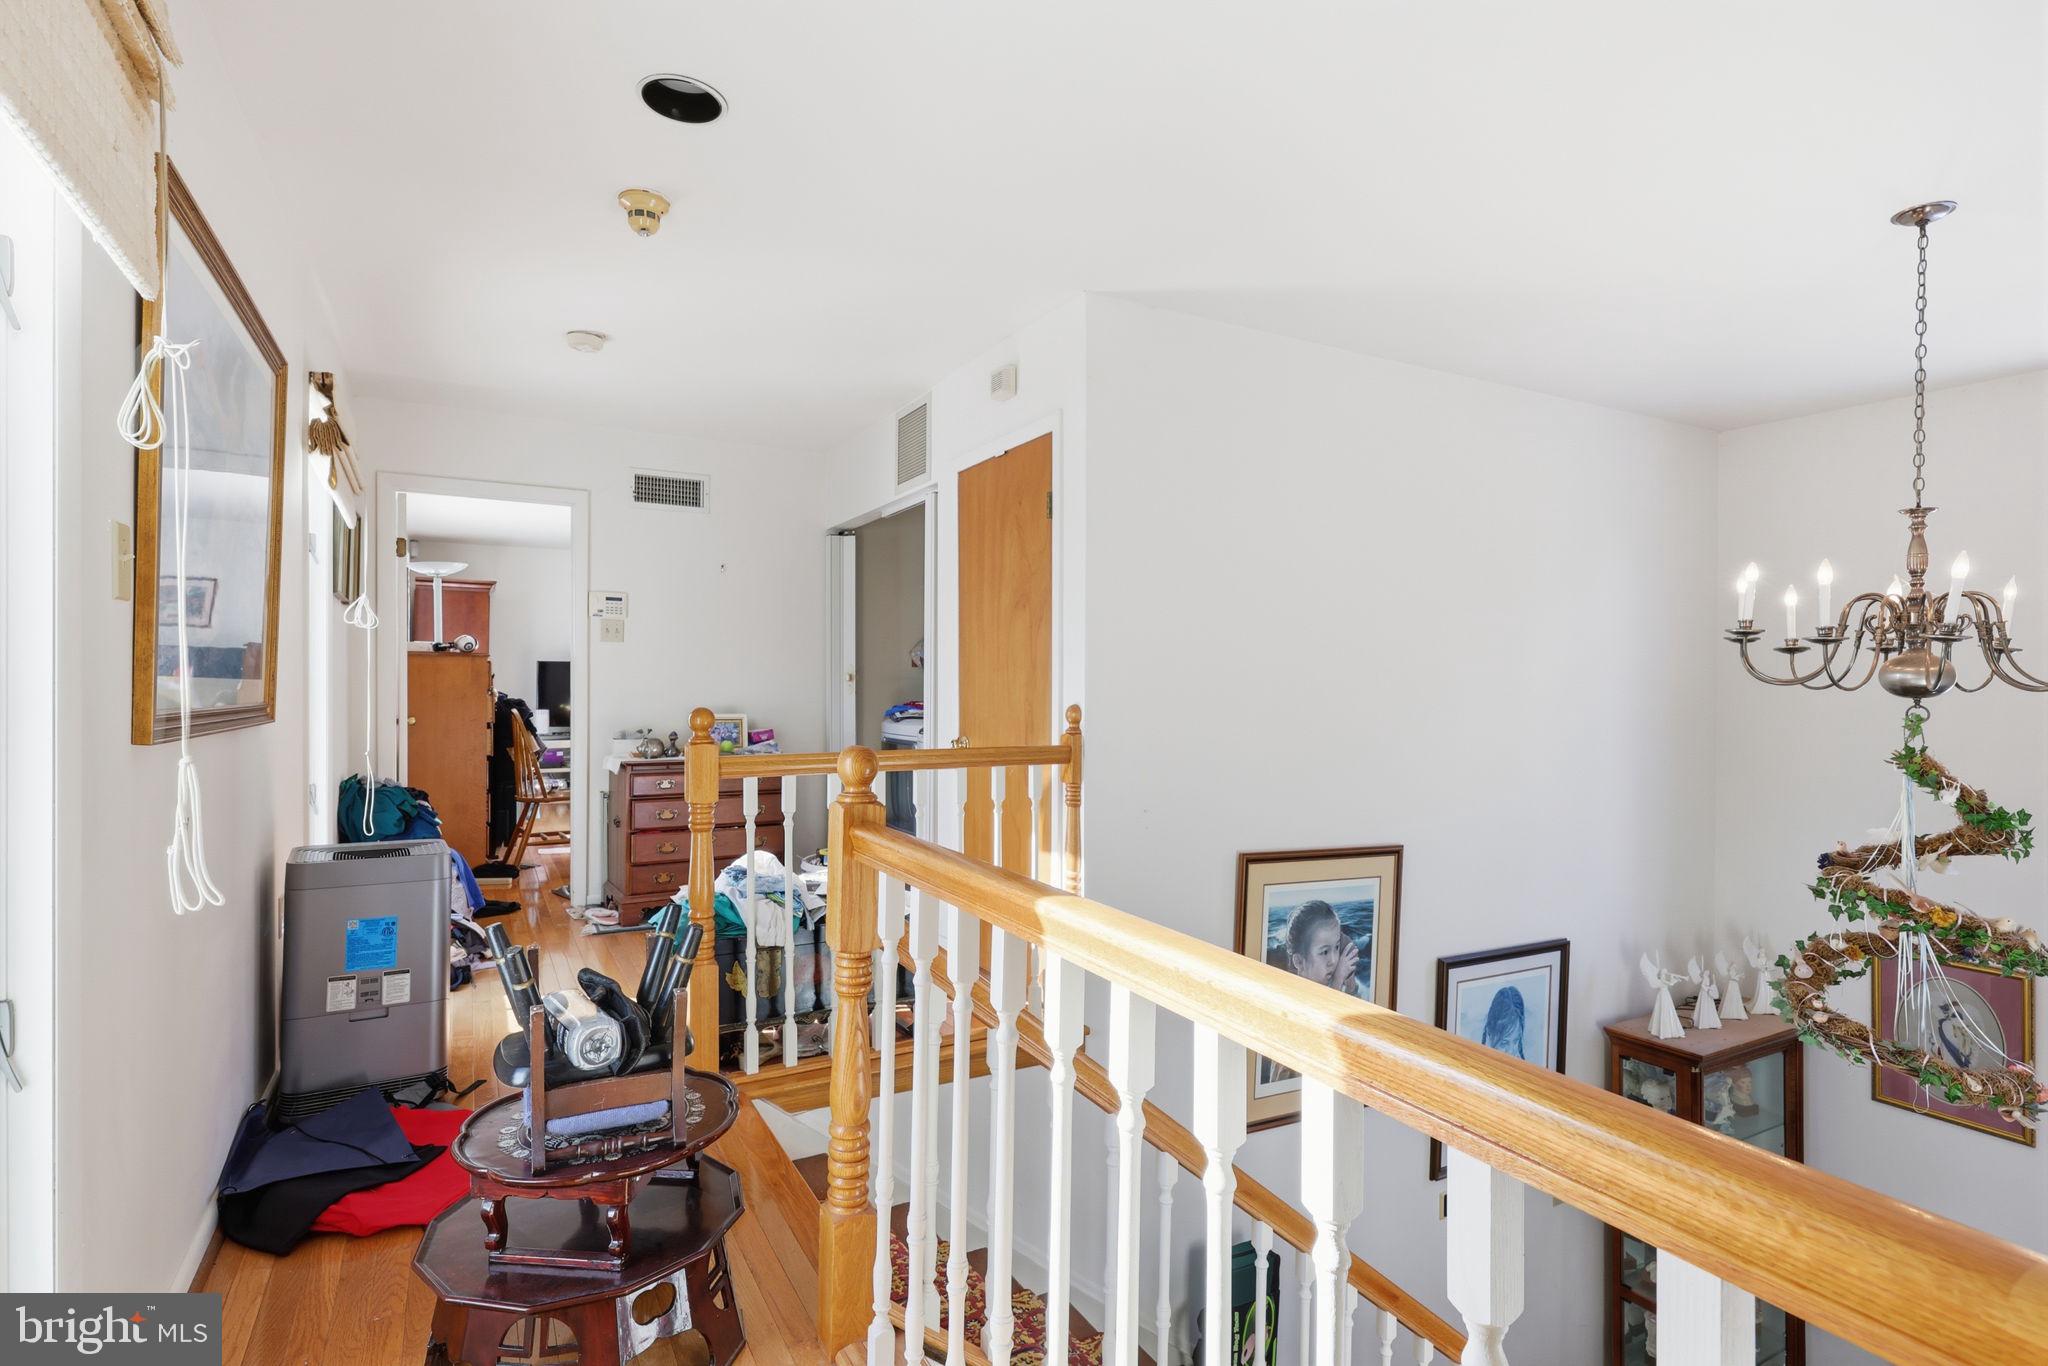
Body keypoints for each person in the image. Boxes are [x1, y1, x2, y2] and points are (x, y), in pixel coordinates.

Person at [1283, 900, 1364, 999]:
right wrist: (1338, 980)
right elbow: (1324, 1009)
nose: (1334, 961)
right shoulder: (1295, 995)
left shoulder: (1328, 986)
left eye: (1337, 947)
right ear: (1299, 962)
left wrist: (1350, 985)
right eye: (1325, 952)